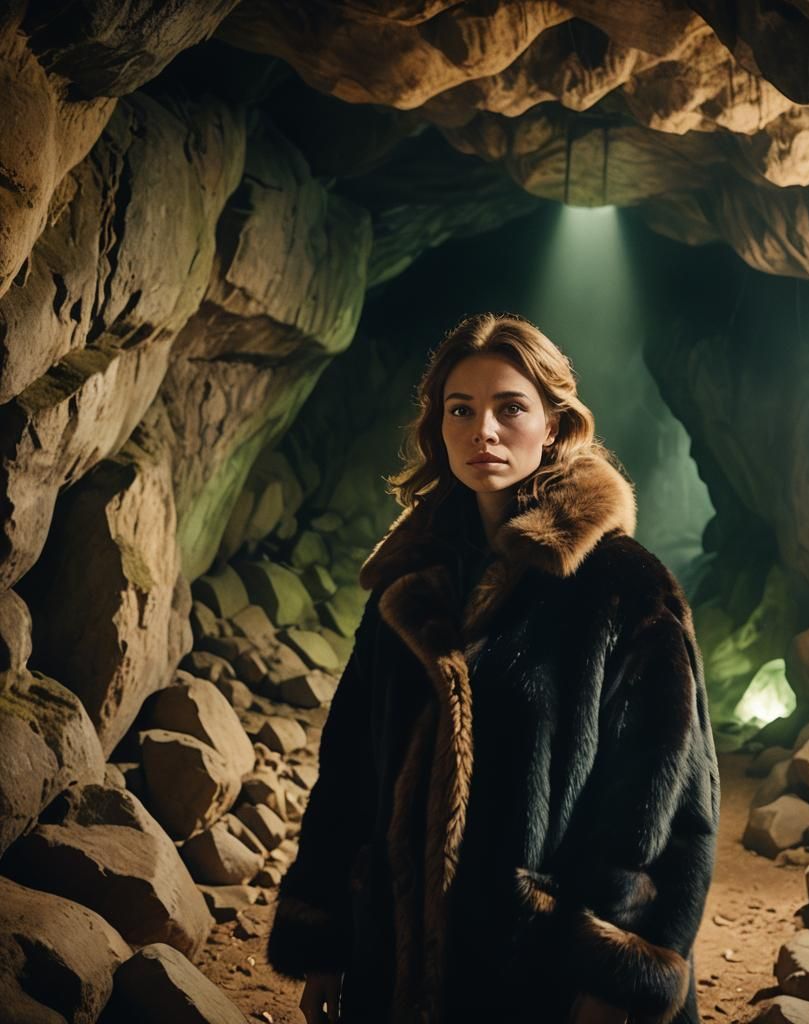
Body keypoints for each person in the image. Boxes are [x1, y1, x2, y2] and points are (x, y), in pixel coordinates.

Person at [266, 312, 720, 1024]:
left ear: (554, 424)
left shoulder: (623, 589)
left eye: (511, 408)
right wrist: (323, 937)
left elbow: (670, 808)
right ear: (437, 428)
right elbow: (349, 774)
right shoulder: (408, 586)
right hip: (396, 966)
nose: (484, 431)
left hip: (543, 978)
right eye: (461, 410)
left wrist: (612, 972)